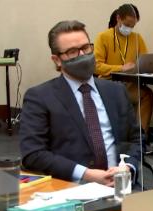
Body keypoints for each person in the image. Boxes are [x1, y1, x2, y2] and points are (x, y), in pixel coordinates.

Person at [19, 20, 141, 187]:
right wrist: (86, 174)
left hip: (121, 186)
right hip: (72, 190)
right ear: (57, 60)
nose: (82, 55)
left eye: (86, 48)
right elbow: (33, 154)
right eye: (72, 52)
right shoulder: (40, 97)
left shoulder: (116, 91)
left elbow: (136, 139)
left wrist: (128, 166)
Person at [94, 3, 153, 138]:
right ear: (118, 18)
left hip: (128, 83)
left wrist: (147, 67)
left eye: (132, 26)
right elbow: (96, 66)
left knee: (147, 95)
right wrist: (121, 68)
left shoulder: (137, 38)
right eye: (127, 24)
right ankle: (121, 138)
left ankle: (141, 137)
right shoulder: (103, 37)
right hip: (108, 84)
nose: (129, 28)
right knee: (120, 96)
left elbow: (144, 60)